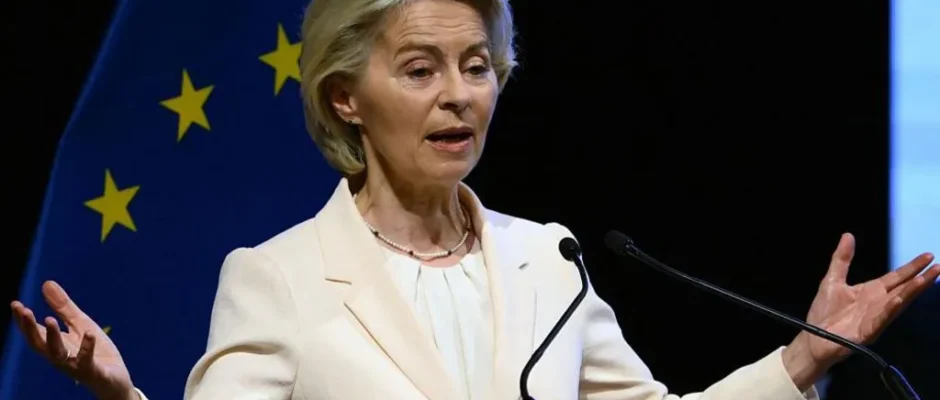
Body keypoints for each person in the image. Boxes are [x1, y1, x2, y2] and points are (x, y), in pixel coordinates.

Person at [9, 0, 940, 398]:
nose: (459, 95)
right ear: (346, 96)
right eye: (420, 69)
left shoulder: (549, 259)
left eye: (478, 66)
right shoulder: (278, 277)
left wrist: (802, 359)